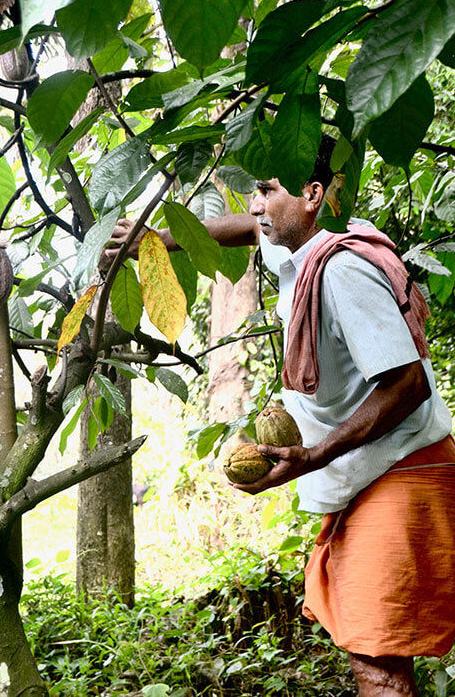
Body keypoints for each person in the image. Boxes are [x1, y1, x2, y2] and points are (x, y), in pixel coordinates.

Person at [104, 136, 455, 696]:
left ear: (313, 194)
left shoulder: (341, 271)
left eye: (268, 190)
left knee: (380, 666)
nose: (257, 204)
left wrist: (313, 455)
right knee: (374, 659)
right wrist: (158, 241)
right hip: (371, 473)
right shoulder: (299, 248)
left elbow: (407, 383)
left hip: (401, 470)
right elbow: (245, 228)